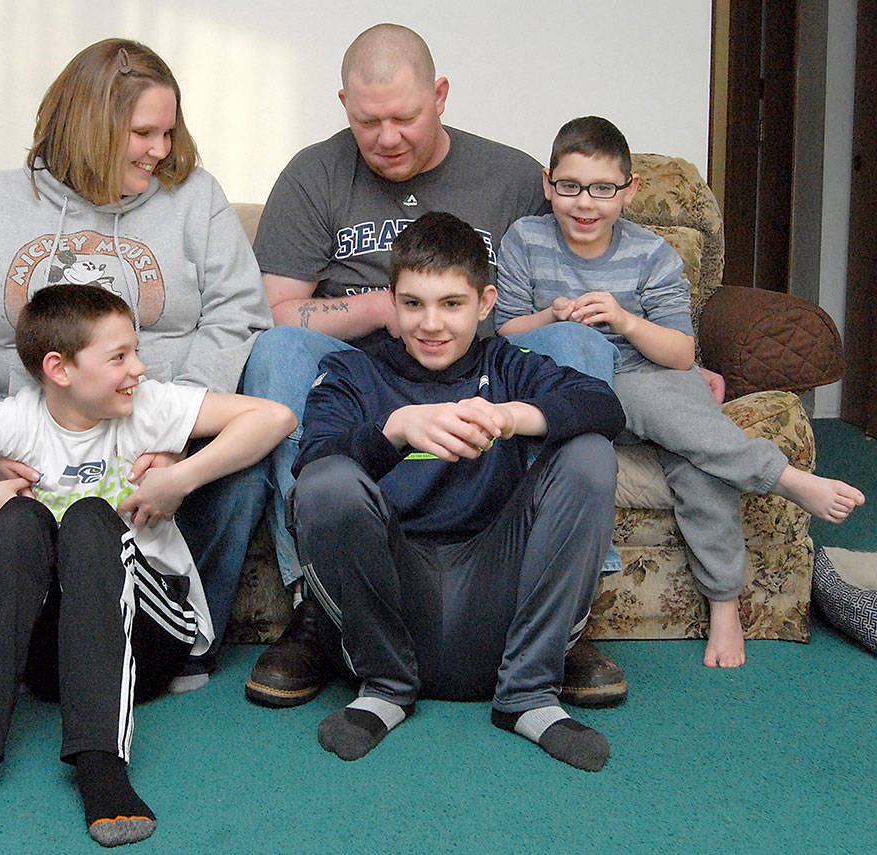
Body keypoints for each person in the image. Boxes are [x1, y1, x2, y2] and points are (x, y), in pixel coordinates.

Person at [243, 22, 624, 711]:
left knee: (581, 345)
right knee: (276, 354)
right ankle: (313, 603)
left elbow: (567, 283)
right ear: (343, 106)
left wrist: (665, 350)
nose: (387, 137)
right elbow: (277, 311)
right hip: (361, 371)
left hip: (487, 363)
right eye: (368, 121)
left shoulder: (510, 176)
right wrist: (381, 311)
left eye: (405, 117)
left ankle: (565, 612)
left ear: (440, 96)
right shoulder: (312, 174)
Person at [0, 284, 294, 846]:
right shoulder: (15, 420)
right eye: (119, 357)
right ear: (58, 369)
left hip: (150, 642)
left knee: (91, 519)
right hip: (50, 658)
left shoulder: (150, 407)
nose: (138, 368)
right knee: (16, 521)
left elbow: (275, 415)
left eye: (134, 352)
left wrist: (179, 477)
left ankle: (100, 761)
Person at [0, 38, 273, 680]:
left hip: (152, 430)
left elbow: (237, 316)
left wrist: (175, 443)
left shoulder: (197, 198)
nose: (161, 150)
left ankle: (186, 647)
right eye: (142, 132)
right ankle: (16, 650)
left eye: (169, 131)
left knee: (242, 466)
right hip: (24, 434)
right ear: (88, 126)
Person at [495, 116, 867, 667]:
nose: (585, 204)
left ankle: (724, 604)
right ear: (549, 183)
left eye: (603, 189)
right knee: (648, 408)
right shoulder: (526, 238)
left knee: (696, 458)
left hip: (645, 378)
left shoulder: (652, 254)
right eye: (570, 187)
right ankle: (782, 476)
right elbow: (504, 334)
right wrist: (551, 316)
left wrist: (624, 320)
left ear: (630, 190)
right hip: (568, 385)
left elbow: (681, 354)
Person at [290, 211, 623, 772]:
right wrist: (394, 431)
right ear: (391, 301)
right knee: (328, 479)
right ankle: (384, 690)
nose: (431, 324)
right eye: (414, 303)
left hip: (497, 591)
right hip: (392, 601)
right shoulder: (351, 372)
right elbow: (312, 464)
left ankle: (529, 696)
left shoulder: (507, 364)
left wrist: (515, 415)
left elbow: (604, 406)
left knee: (590, 452)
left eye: (452, 304)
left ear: (486, 303)